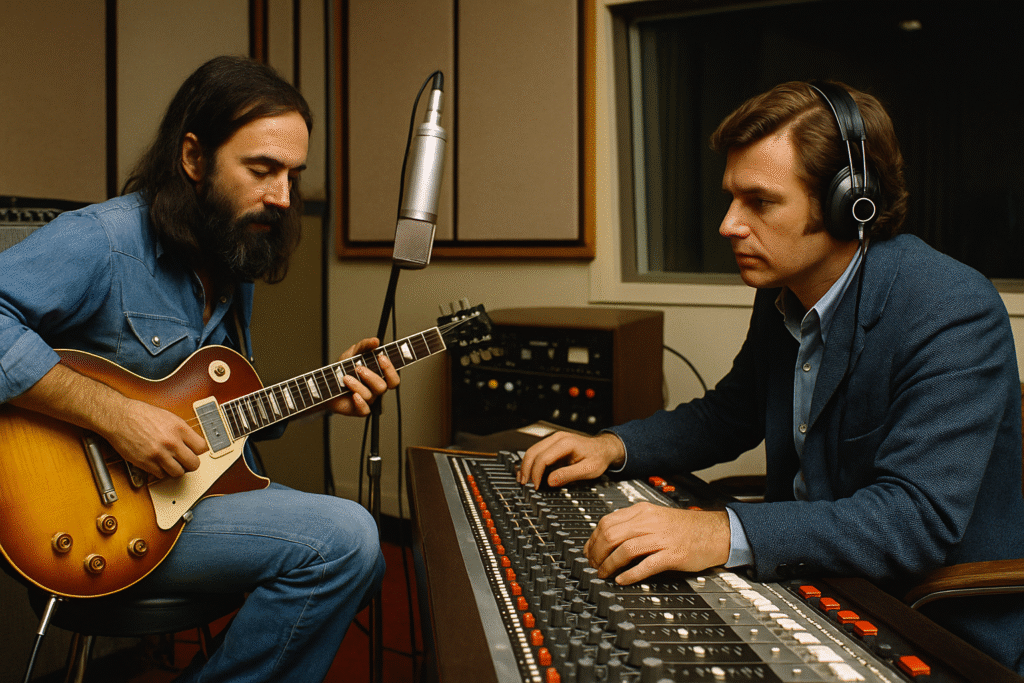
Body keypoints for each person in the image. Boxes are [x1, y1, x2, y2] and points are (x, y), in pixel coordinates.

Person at [519, 81, 1024, 673]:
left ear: (850, 202)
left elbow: (914, 519)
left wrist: (717, 533)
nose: (729, 225)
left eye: (760, 202)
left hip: (928, 623)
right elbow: (729, 413)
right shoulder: (785, 291)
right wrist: (613, 445)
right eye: (732, 198)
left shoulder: (951, 307)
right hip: (812, 584)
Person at [0, 55, 400, 682]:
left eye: (293, 175)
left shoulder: (227, 256)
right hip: (89, 516)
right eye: (262, 170)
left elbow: (212, 416)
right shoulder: (101, 240)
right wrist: (116, 416)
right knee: (345, 537)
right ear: (193, 157)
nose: (282, 198)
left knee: (363, 560)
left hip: (182, 499)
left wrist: (323, 394)